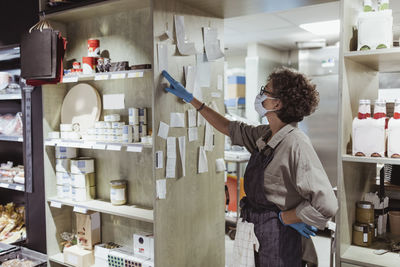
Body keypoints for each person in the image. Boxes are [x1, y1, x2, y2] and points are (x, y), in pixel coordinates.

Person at [161, 68, 338, 267]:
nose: (260, 94)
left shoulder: (295, 143)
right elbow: (229, 128)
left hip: (280, 236)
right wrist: (193, 100)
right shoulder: (265, 134)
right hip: (258, 230)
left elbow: (327, 204)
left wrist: (288, 217)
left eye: (266, 90)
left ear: (277, 103)